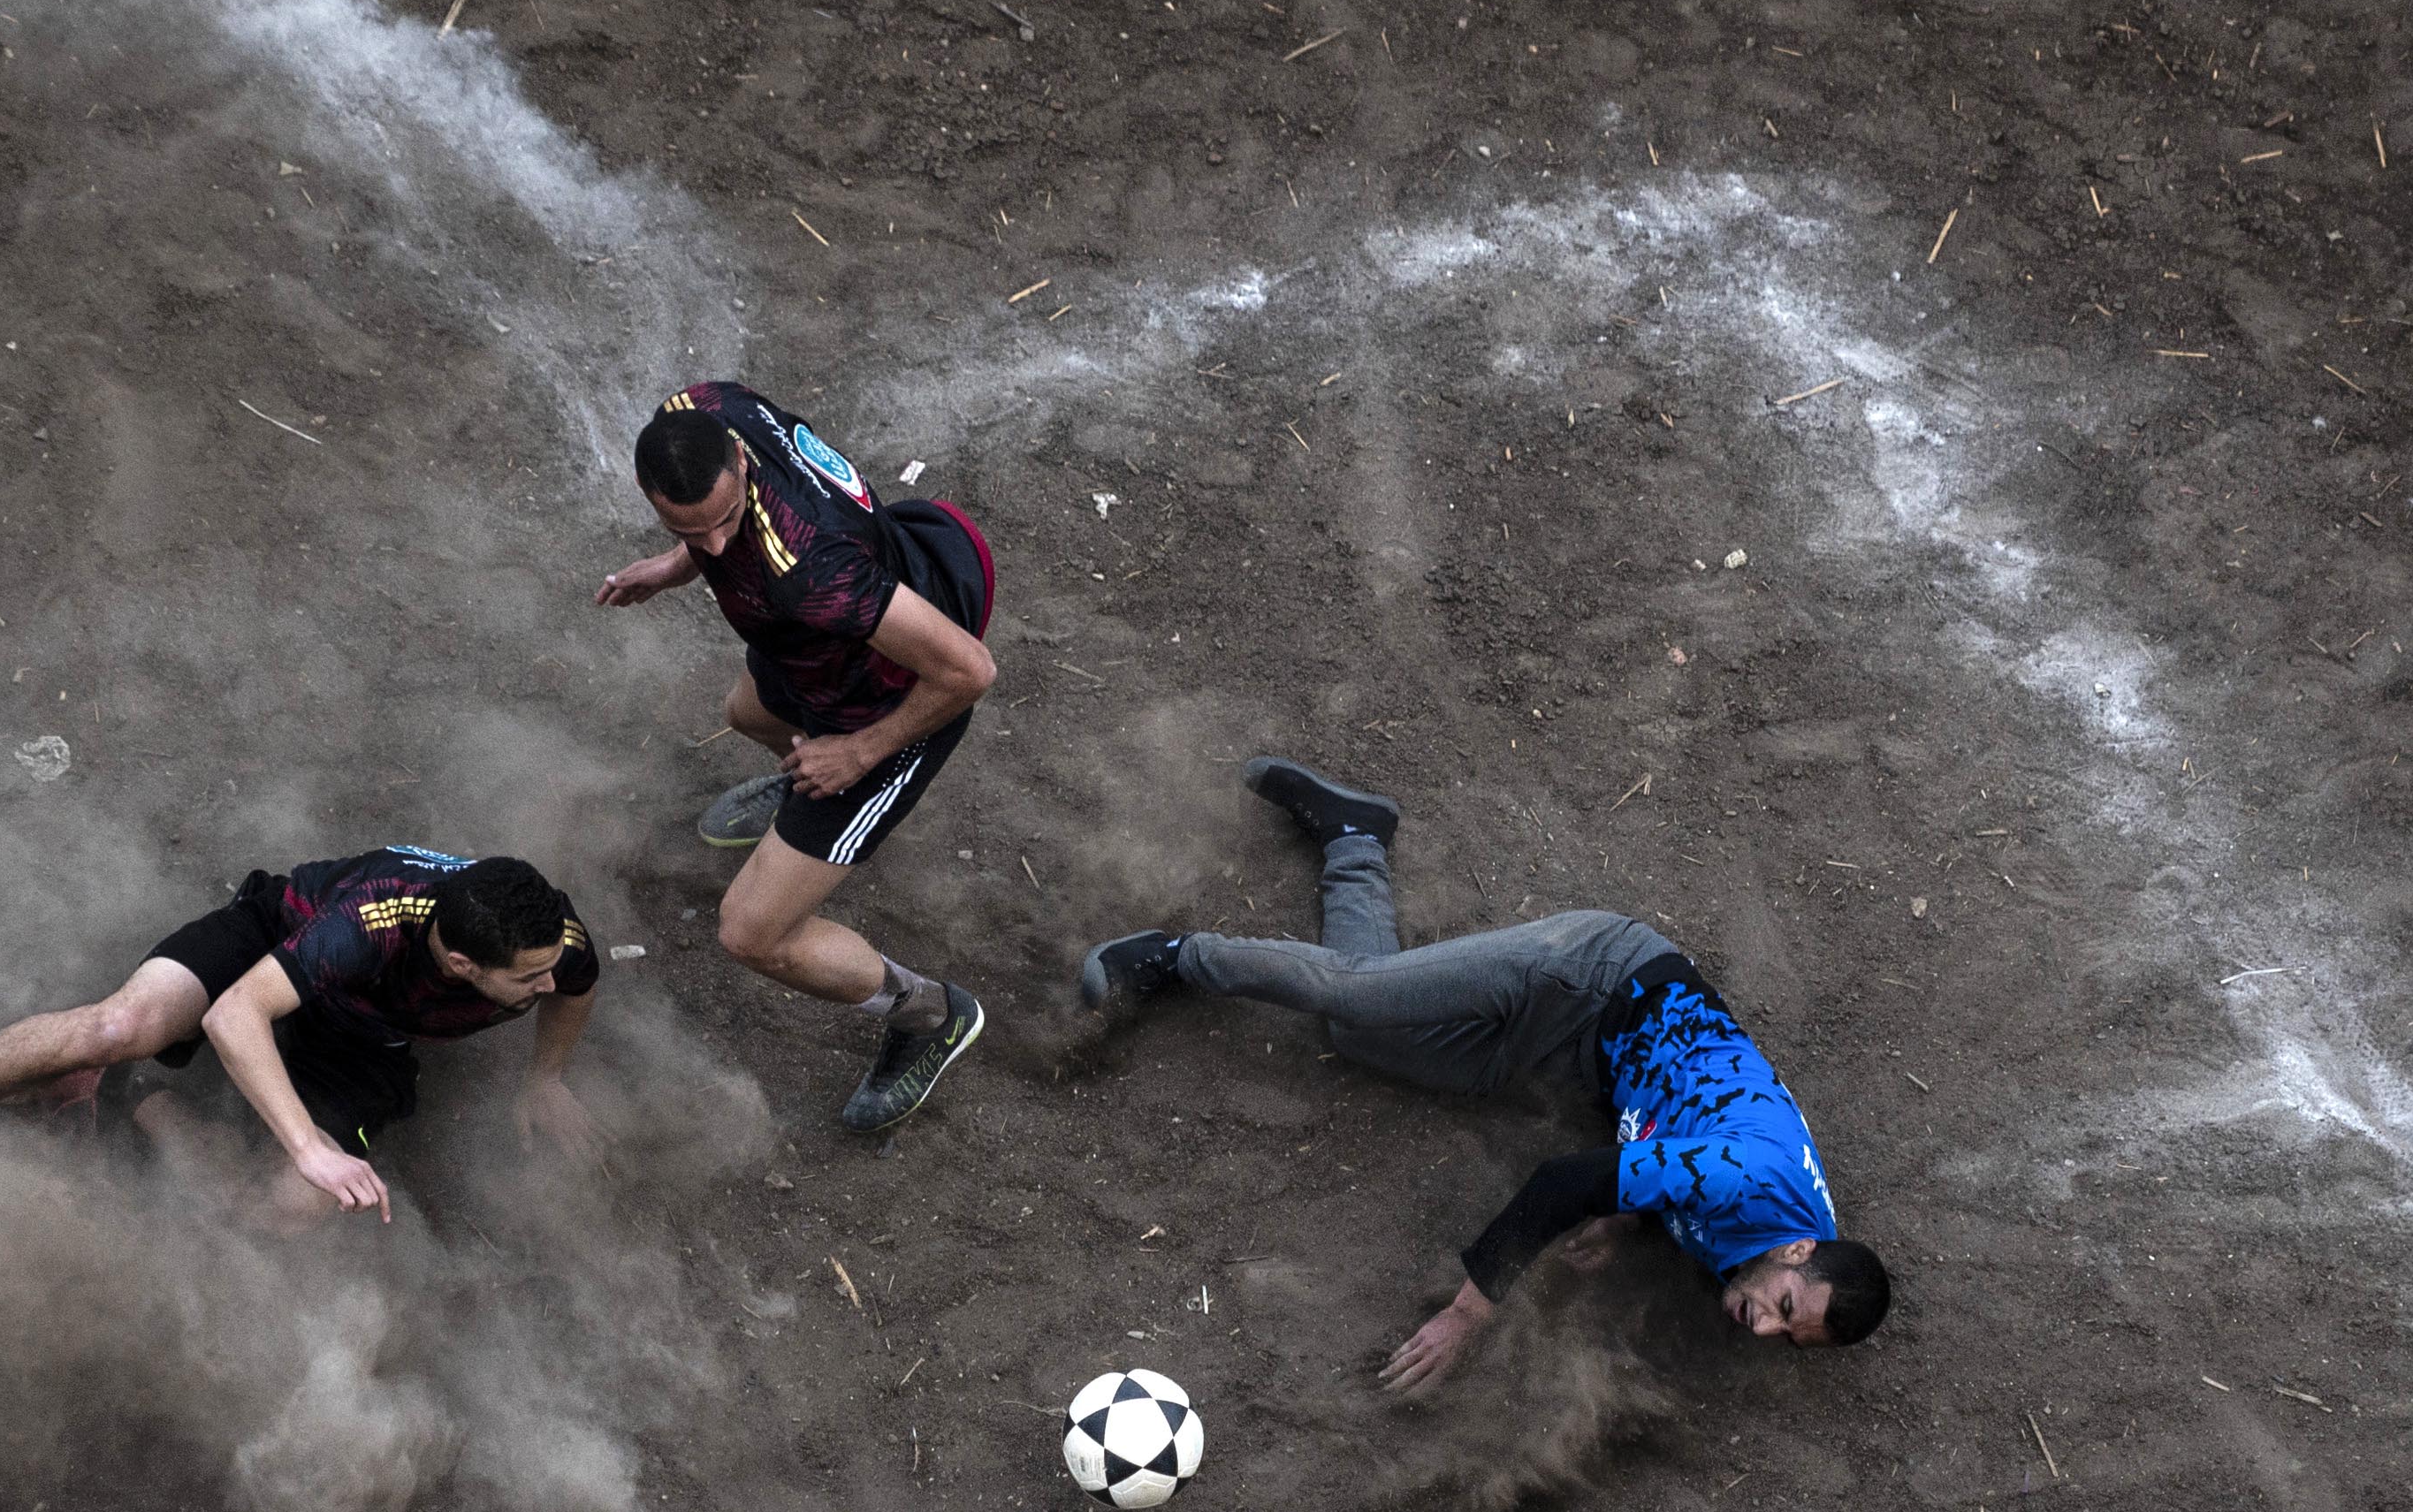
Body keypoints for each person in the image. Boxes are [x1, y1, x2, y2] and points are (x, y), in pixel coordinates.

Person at [1079, 755, 1892, 1388]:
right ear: (1796, 1253)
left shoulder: (1767, 1258)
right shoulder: (1757, 1182)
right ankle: (1175, 957)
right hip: (1595, 975)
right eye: (1786, 1311)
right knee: (1356, 995)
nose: (1764, 1329)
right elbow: (1560, 1186)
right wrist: (1464, 1319)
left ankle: (1354, 838)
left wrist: (1627, 1215)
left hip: (1584, 1062)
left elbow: (1678, 1158)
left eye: (1791, 1339)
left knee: (1363, 1037)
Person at [594, 381, 997, 1133]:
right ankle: (798, 791)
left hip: (887, 701)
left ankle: (929, 1015)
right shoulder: (701, 409)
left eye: (723, 523)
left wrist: (858, 753)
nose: (712, 544)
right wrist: (672, 563)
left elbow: (969, 672)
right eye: (689, 528)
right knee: (746, 712)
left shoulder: (813, 572)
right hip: (816, 650)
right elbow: (710, 533)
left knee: (752, 933)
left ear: (742, 468)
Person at [0, 847, 598, 1229]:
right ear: (461, 963)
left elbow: (578, 986)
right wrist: (308, 1143)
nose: (546, 985)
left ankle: (140, 1100)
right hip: (277, 950)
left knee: (295, 1204)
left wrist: (546, 1078)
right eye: (529, 979)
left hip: (372, 1035)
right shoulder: (363, 929)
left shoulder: (553, 940)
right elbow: (235, 1013)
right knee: (117, 1025)